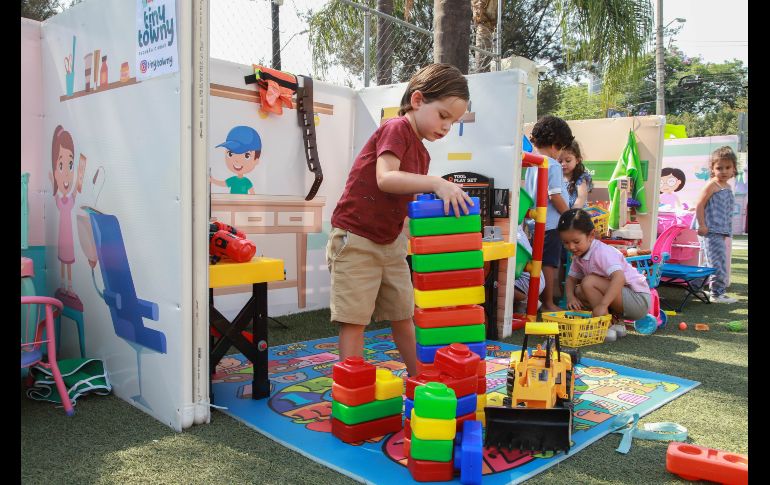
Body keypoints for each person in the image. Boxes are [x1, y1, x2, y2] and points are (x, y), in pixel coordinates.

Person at [327, 63, 471, 377]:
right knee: (354, 320)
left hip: (391, 243)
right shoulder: (396, 128)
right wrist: (436, 183)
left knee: (404, 313)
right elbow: (386, 178)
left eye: (453, 122)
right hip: (357, 238)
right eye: (443, 116)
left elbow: (403, 199)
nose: (447, 127)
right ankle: (351, 388)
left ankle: (420, 378)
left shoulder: (422, 153)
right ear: (417, 100)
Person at [559, 208, 651, 336]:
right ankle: (616, 324)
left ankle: (605, 326)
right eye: (566, 243)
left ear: (591, 235)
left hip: (638, 300)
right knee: (579, 291)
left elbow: (619, 278)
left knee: (589, 282)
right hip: (625, 300)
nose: (571, 247)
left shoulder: (601, 252)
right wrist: (571, 298)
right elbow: (571, 279)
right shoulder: (579, 255)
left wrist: (603, 305)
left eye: (576, 242)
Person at [524, 115, 574, 312]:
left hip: (534, 223)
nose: (560, 154)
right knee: (549, 264)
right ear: (555, 145)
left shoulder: (532, 164)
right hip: (551, 224)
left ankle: (538, 300)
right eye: (561, 149)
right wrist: (569, 216)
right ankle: (548, 303)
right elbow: (555, 195)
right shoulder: (551, 164)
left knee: (538, 261)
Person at [694, 146, 738, 304]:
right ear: (712, 169)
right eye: (719, 168)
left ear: (734, 168)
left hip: (720, 230)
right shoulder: (712, 185)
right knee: (717, 262)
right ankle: (717, 294)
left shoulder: (727, 187)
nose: (724, 171)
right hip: (710, 230)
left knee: (710, 262)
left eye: (728, 167)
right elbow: (699, 205)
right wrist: (702, 225)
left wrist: (726, 231)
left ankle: (694, 287)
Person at [49, 125, 87, 297]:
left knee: (68, 261)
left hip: (69, 237)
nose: (66, 174)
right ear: (55, 170)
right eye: (61, 165)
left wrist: (79, 175)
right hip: (62, 236)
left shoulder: (70, 199)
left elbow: (76, 189)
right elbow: (55, 194)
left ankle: (69, 286)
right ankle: (64, 285)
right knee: (63, 262)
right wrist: (52, 182)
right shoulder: (59, 200)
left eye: (69, 165)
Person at [210, 125, 262, 195]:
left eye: (247, 156)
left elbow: (252, 194)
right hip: (232, 201)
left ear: (256, 160)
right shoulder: (233, 180)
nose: (237, 160)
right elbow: (223, 184)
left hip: (244, 201)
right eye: (230, 154)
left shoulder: (247, 182)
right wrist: (212, 180)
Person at [513, 226, 546, 314]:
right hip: (534, 279)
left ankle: (526, 301)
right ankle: (526, 304)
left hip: (527, 282)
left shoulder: (510, 233)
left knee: (497, 284)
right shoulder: (518, 231)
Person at [559, 139, 593, 209]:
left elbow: (581, 198)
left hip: (577, 212)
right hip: (563, 211)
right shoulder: (558, 177)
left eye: (568, 160)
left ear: (577, 160)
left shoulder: (580, 178)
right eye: (560, 161)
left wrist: (573, 212)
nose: (563, 164)